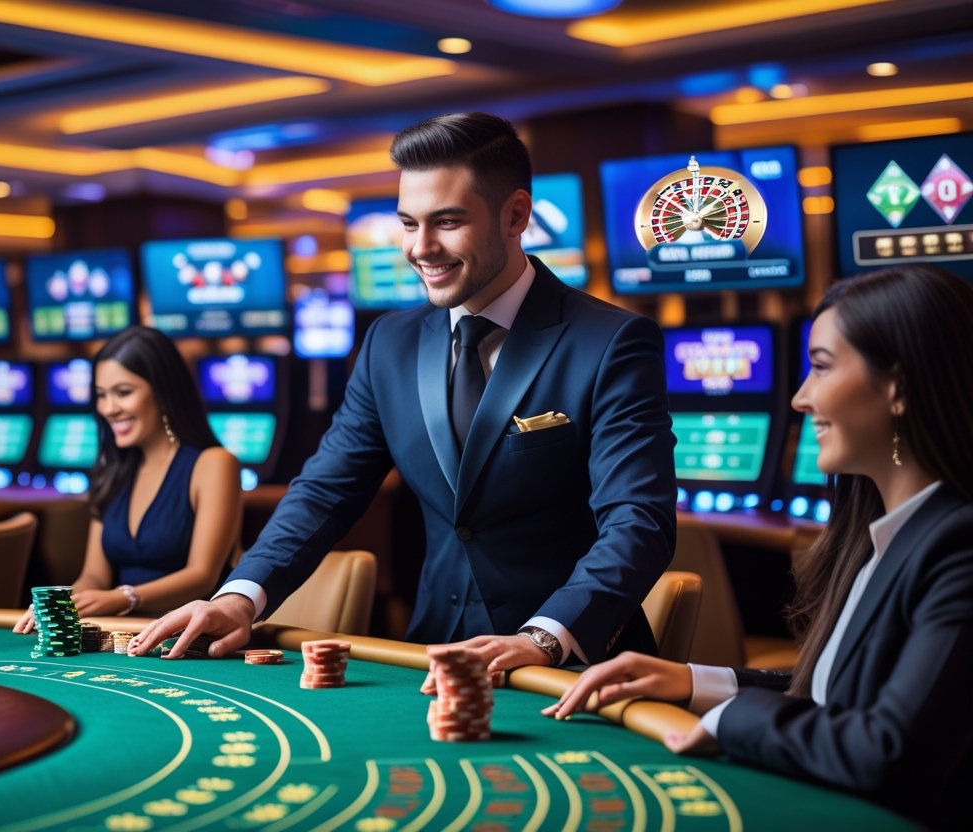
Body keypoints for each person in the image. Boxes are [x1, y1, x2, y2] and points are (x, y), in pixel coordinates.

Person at [130, 112, 677, 671]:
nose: (421, 248)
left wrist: (543, 637)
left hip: (575, 668)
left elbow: (638, 520)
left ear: (516, 215)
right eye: (408, 224)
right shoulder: (388, 342)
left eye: (447, 222)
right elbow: (325, 492)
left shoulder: (611, 341)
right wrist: (239, 596)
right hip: (432, 652)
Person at [544, 264, 973, 830]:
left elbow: (890, 751)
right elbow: (837, 692)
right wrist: (695, 681)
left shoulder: (958, 547)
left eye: (822, 367)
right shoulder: (882, 534)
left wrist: (731, 719)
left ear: (898, 386)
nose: (799, 398)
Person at [14, 327, 240, 630]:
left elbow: (203, 576)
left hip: (191, 637)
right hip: (122, 636)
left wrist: (125, 597)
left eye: (123, 392)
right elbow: (94, 576)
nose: (108, 408)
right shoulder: (112, 469)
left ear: (163, 390)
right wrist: (62, 603)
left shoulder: (213, 464)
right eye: (101, 395)